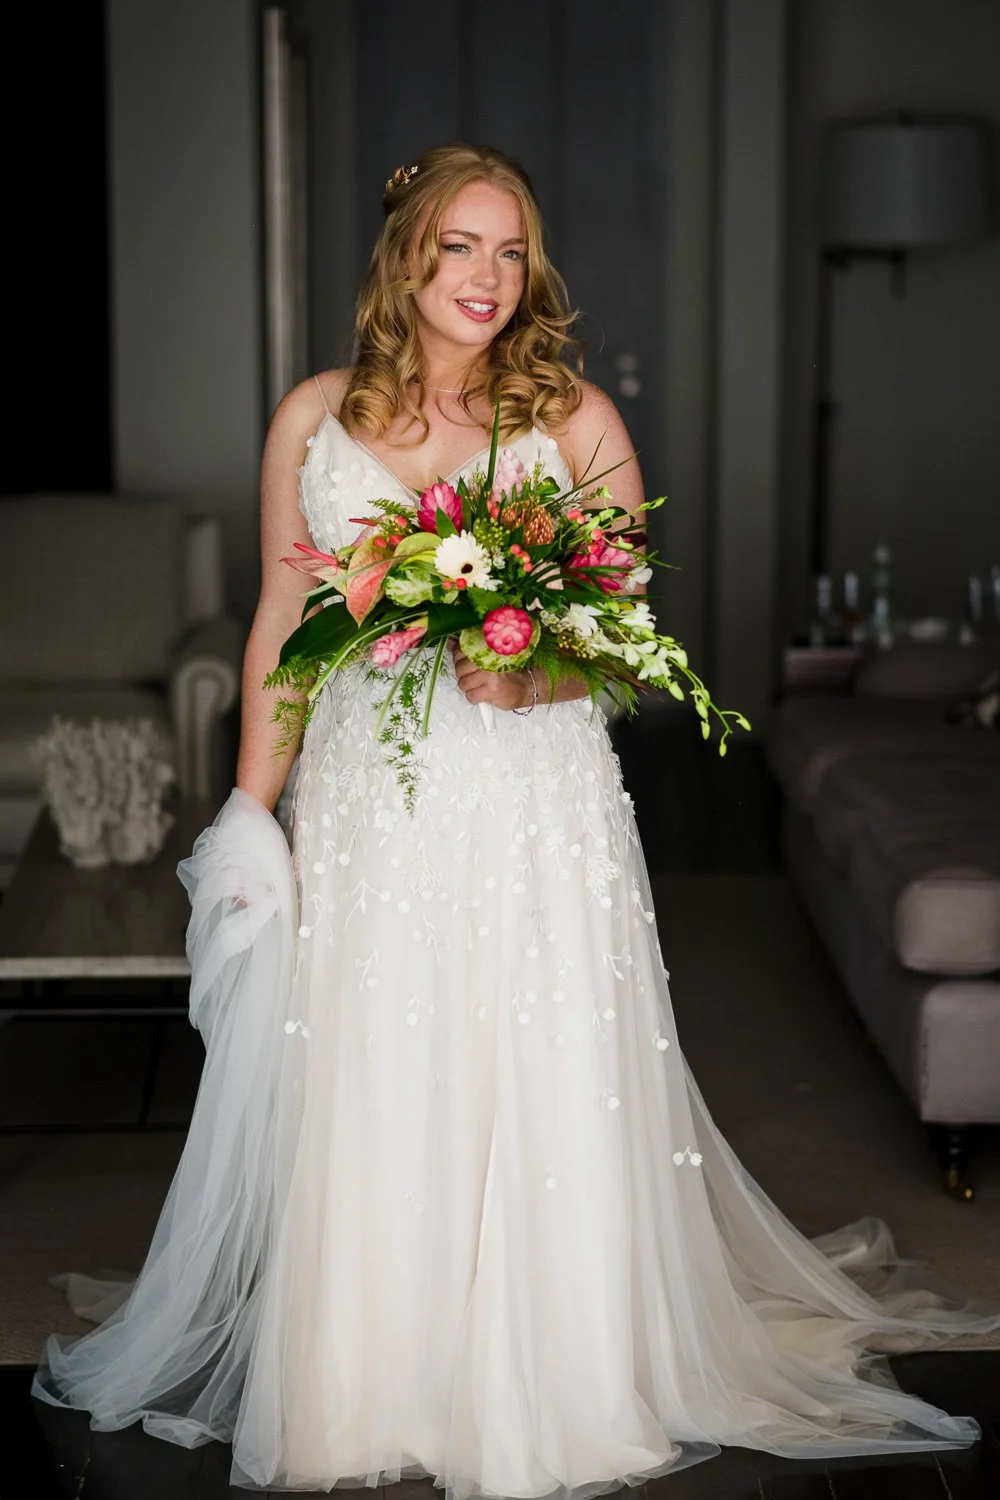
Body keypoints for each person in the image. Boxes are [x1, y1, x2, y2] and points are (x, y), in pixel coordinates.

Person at [32, 142, 1000, 1497]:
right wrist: (250, 815)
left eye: (511, 251)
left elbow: (620, 640)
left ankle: (560, 1373)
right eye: (459, 246)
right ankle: (377, 1378)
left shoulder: (577, 422)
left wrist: (528, 670)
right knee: (379, 1059)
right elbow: (280, 623)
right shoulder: (313, 418)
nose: (487, 276)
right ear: (406, 257)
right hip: (372, 805)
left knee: (535, 1058)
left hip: (535, 801)